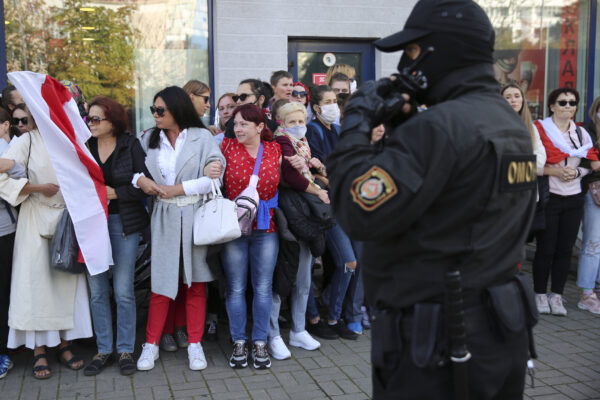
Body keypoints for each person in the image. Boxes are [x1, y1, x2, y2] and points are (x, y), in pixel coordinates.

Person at [327, 0, 539, 398]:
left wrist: (356, 122)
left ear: (444, 50)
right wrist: (403, 130)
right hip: (496, 334)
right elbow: (453, 203)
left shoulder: (441, 128)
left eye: (412, 51)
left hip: (437, 347)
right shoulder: (505, 121)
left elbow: (357, 210)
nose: (406, 66)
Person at [134, 86, 225, 372]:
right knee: (161, 284)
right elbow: (133, 170)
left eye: (160, 110)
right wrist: (141, 182)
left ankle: (195, 345)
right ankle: (150, 345)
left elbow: (214, 177)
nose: (155, 115)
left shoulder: (201, 137)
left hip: (195, 214)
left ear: (177, 110)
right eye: (153, 110)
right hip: (162, 216)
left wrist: (179, 188)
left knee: (195, 282)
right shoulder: (148, 138)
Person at [0, 104, 91, 379]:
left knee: (66, 284)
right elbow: (2, 174)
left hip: (66, 219)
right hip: (34, 216)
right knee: (36, 285)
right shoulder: (26, 140)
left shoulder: (71, 141)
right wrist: (37, 188)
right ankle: (38, 349)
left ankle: (65, 343)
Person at [82, 96, 150, 376]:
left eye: (96, 119)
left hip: (124, 222)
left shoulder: (130, 144)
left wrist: (116, 193)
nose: (90, 123)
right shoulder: (85, 145)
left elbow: (144, 184)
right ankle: (103, 350)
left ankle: (124, 349)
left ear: (113, 121)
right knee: (97, 290)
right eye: (89, 118)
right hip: (91, 225)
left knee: (123, 290)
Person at [220, 104, 281, 370]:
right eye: (235, 124)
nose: (238, 128)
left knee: (263, 287)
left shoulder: (275, 149)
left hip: (266, 228)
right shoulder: (226, 147)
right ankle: (239, 342)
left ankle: (259, 342)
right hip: (233, 227)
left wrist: (306, 162)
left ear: (259, 127)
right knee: (235, 287)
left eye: (244, 124)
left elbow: (292, 174)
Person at [268, 102, 327, 359]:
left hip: (302, 215)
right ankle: (273, 334)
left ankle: (299, 330)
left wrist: (313, 167)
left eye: (300, 120)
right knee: (282, 276)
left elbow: (306, 172)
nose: (297, 125)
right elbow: (290, 178)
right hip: (285, 217)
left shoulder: (301, 144)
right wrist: (317, 190)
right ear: (281, 122)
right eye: (291, 121)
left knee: (304, 275)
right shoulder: (281, 142)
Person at [532, 88, 598, 316]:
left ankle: (557, 295)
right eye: (563, 102)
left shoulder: (581, 134)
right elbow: (531, 163)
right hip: (550, 197)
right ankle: (540, 293)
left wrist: (577, 173)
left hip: (574, 198)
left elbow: (591, 163)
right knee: (546, 248)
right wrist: (556, 172)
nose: (568, 106)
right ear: (552, 106)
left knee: (564, 249)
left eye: (572, 103)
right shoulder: (539, 129)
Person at [304, 85, 358, 341]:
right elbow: (316, 172)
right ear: (316, 107)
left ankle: (334, 316)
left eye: (335, 101)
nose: (333, 106)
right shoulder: (312, 131)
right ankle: (318, 312)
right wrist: (327, 177)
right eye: (327, 101)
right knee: (343, 262)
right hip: (324, 207)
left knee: (348, 264)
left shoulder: (336, 130)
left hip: (342, 204)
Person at [0, 108, 25, 380]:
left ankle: (4, 351)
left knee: (3, 291)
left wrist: (8, 165)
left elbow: (21, 175)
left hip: (5, 229)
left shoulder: (12, 148)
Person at [575, 96, 600, 315]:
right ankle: (586, 293)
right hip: (594, 194)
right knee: (592, 245)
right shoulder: (587, 132)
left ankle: (597, 290)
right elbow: (592, 164)